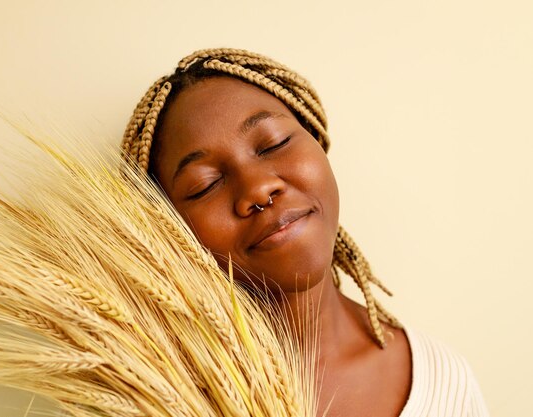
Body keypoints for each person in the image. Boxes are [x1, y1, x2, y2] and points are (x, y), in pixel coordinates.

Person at [120, 48, 490, 417]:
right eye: (205, 184)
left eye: (274, 144)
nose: (258, 188)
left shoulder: (445, 382)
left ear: (316, 142)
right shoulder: (158, 394)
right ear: (167, 227)